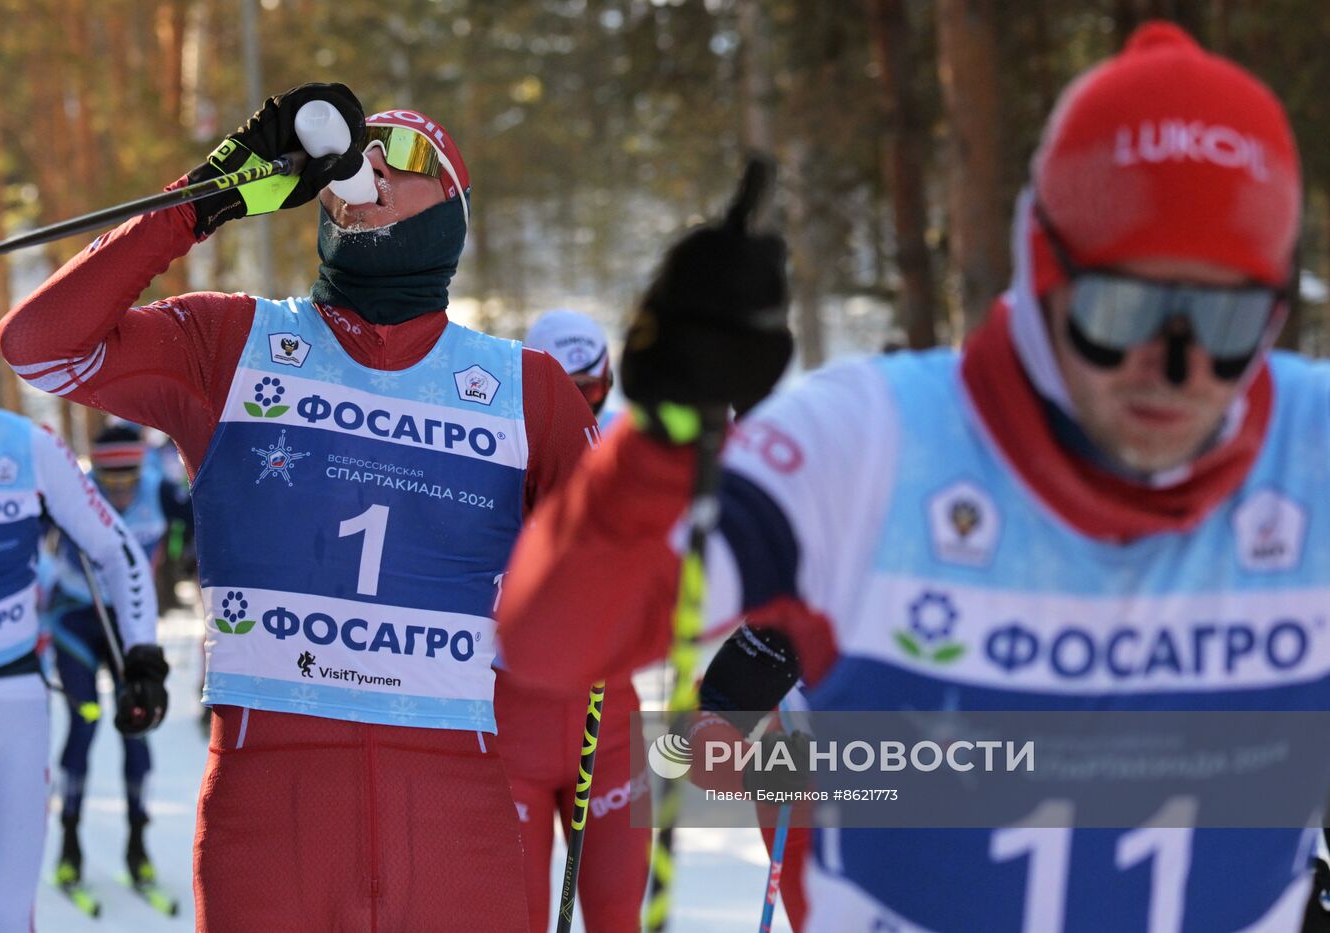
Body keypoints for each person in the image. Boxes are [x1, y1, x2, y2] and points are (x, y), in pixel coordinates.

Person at [497, 23, 1330, 931]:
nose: (1174, 371)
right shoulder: (873, 443)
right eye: (1121, 307)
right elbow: (556, 647)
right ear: (1043, 265)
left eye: (1226, 321)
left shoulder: (1312, 445)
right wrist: (659, 446)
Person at [0, 83, 596, 929]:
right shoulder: (231, 344)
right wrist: (202, 199)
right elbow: (40, 347)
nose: (377, 159)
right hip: (268, 816)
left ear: (453, 211)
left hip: (457, 818)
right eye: (368, 145)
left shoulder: (523, 387)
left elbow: (632, 565)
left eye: (412, 155)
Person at [0, 306, 166, 931]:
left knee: (7, 916)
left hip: (7, 704)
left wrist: (142, 654)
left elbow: (116, 551)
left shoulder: (27, 446)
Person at [499, 308, 647, 932]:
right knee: (522, 919)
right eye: (569, 391)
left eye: (596, 388)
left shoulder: (631, 453)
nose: (586, 405)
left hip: (609, 719)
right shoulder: (492, 449)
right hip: (511, 723)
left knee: (617, 916)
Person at [42, 422, 186, 891]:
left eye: (130, 481)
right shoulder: (76, 491)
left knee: (137, 724)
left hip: (130, 626)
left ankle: (138, 843)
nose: (121, 494)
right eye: (111, 484)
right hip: (76, 621)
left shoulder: (159, 489)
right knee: (85, 722)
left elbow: (206, 516)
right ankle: (69, 842)